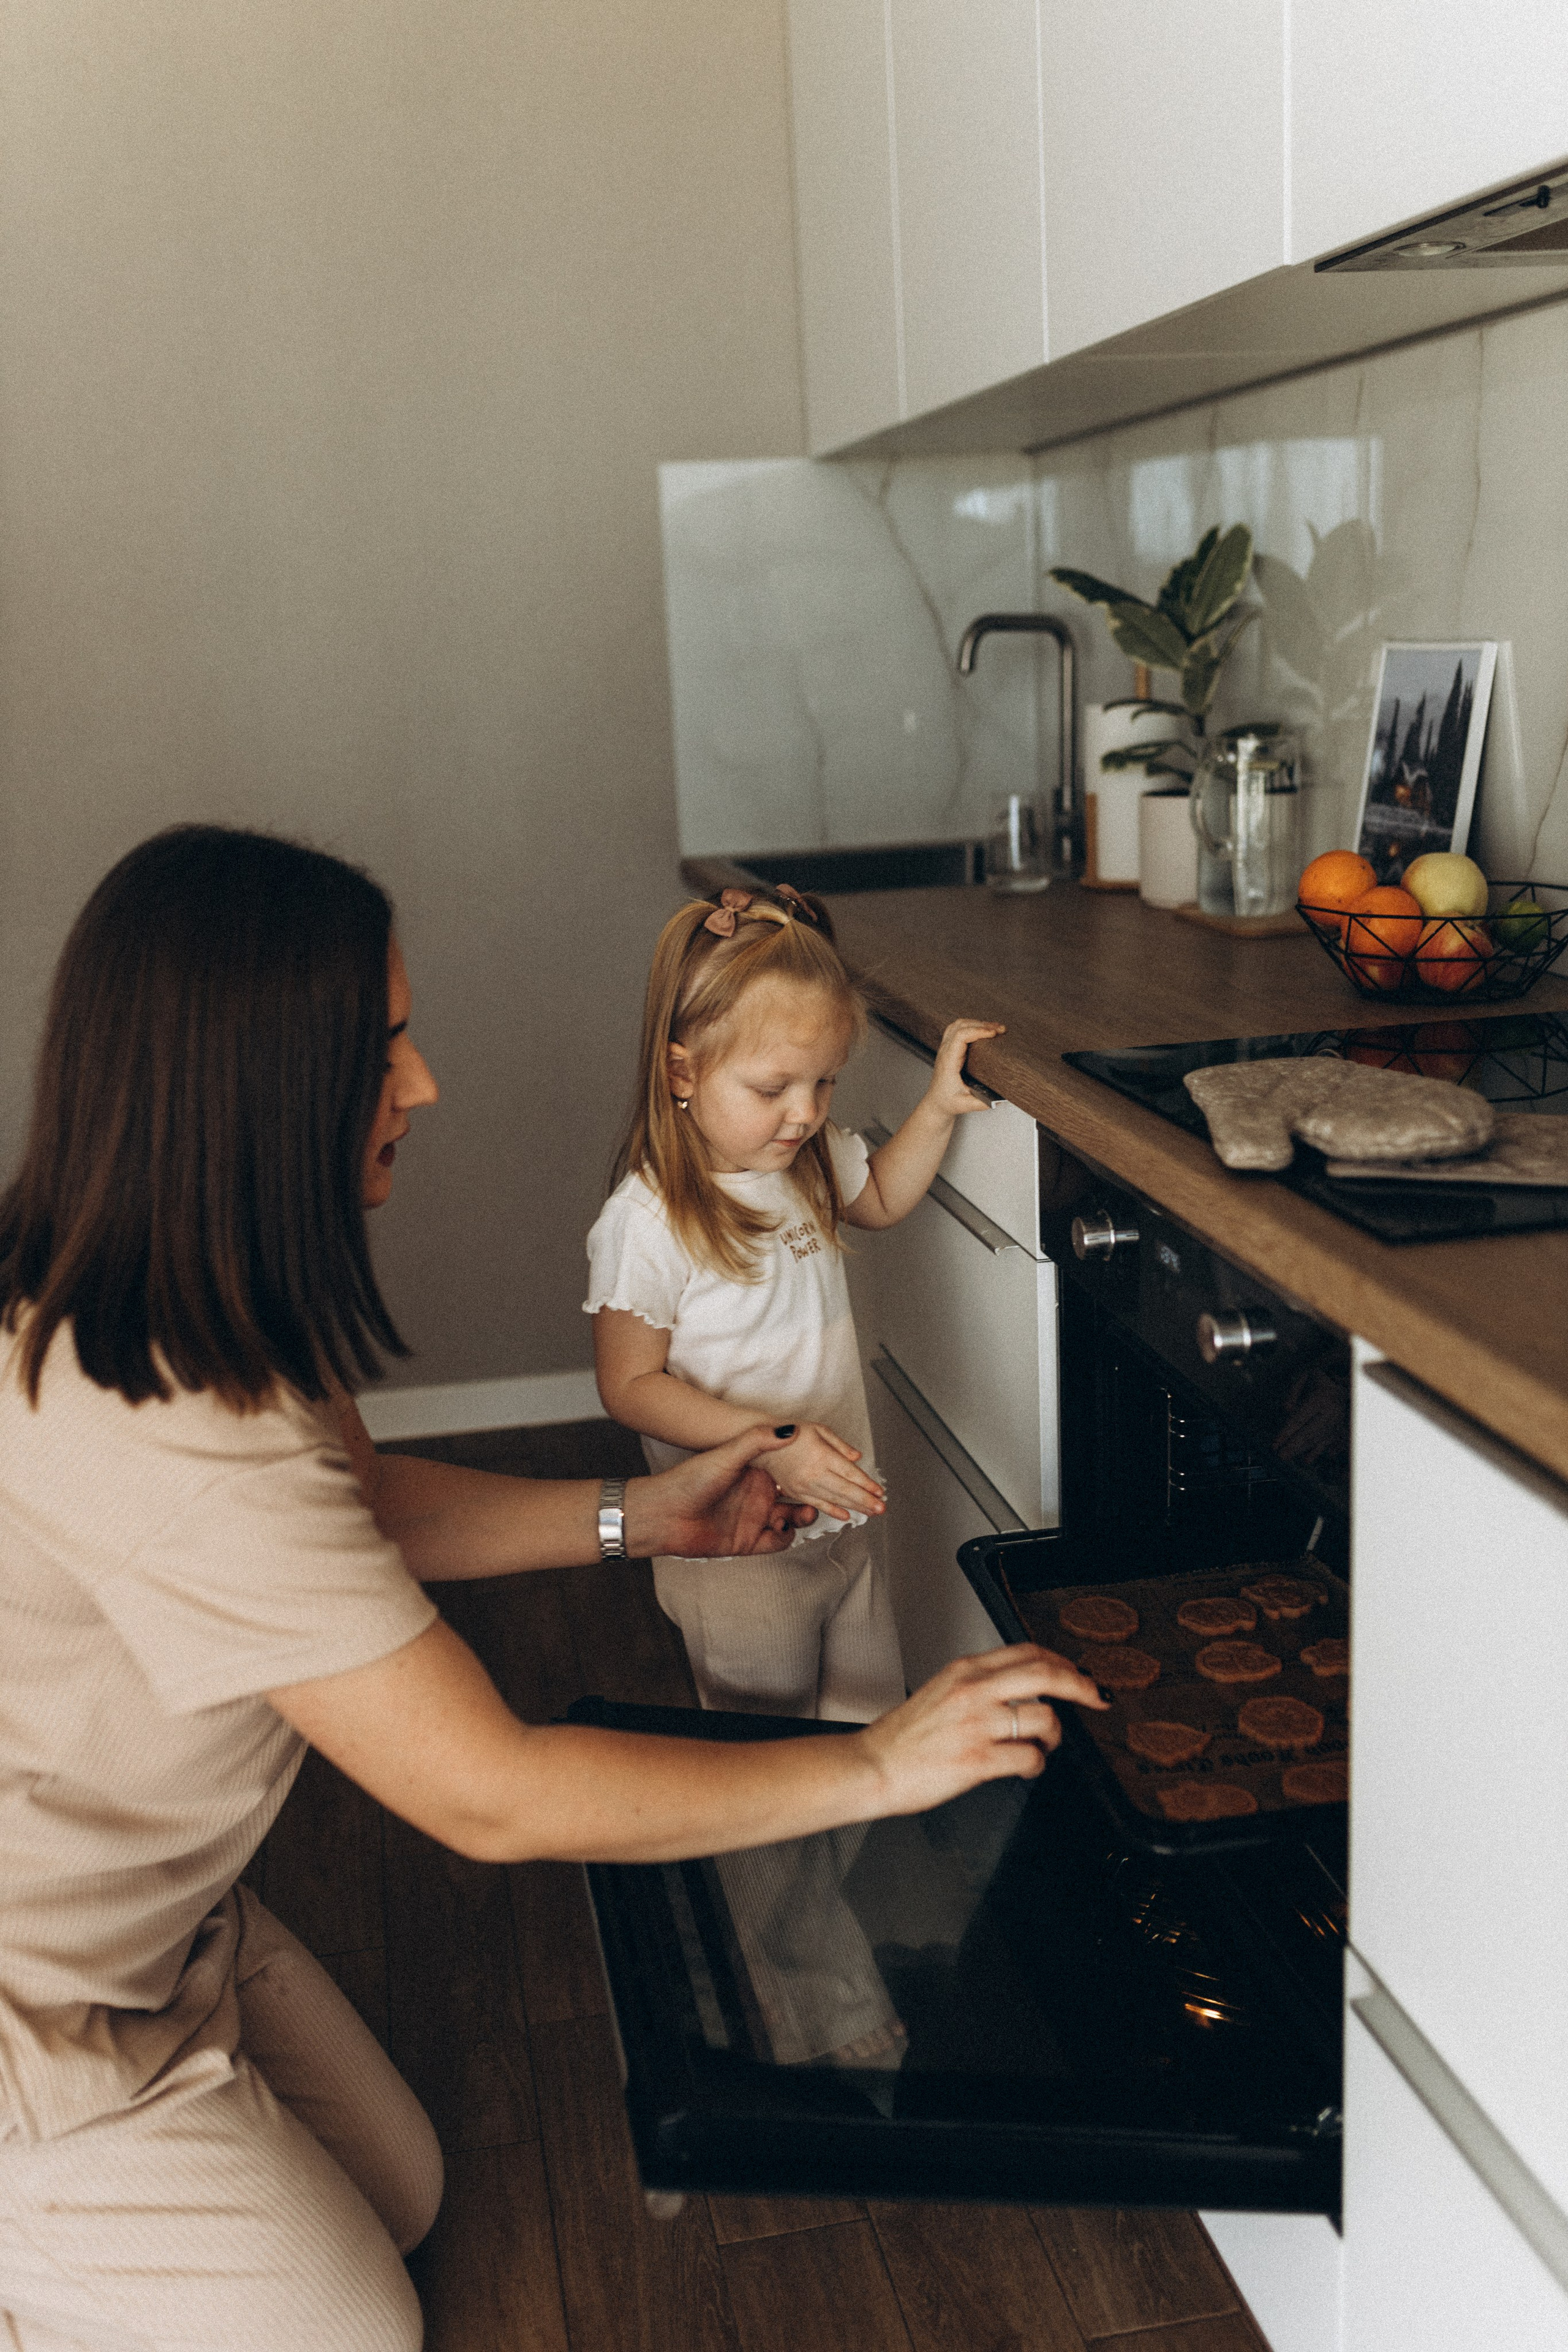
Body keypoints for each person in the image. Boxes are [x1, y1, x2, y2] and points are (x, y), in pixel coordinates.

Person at [0, 826, 1102, 2352]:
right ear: (254, 1084)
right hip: (35, 2012)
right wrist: (875, 1763)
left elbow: (355, 1509)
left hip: (169, 1929)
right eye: (383, 1048)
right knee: (363, 2333)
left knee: (404, 2194)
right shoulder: (172, 1419)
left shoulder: (191, 1303)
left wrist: (640, 1518)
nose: (424, 1084)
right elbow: (492, 1794)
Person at [587, 881, 1004, 1725]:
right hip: (735, 1545)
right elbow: (629, 1386)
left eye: (825, 1083)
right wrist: (772, 1445)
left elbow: (879, 1196)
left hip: (841, 1518)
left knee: (867, 1730)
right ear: (682, 1071)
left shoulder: (803, 1165)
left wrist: (937, 1106)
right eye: (773, 1087)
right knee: (768, 1752)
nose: (806, 1113)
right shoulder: (649, 1220)